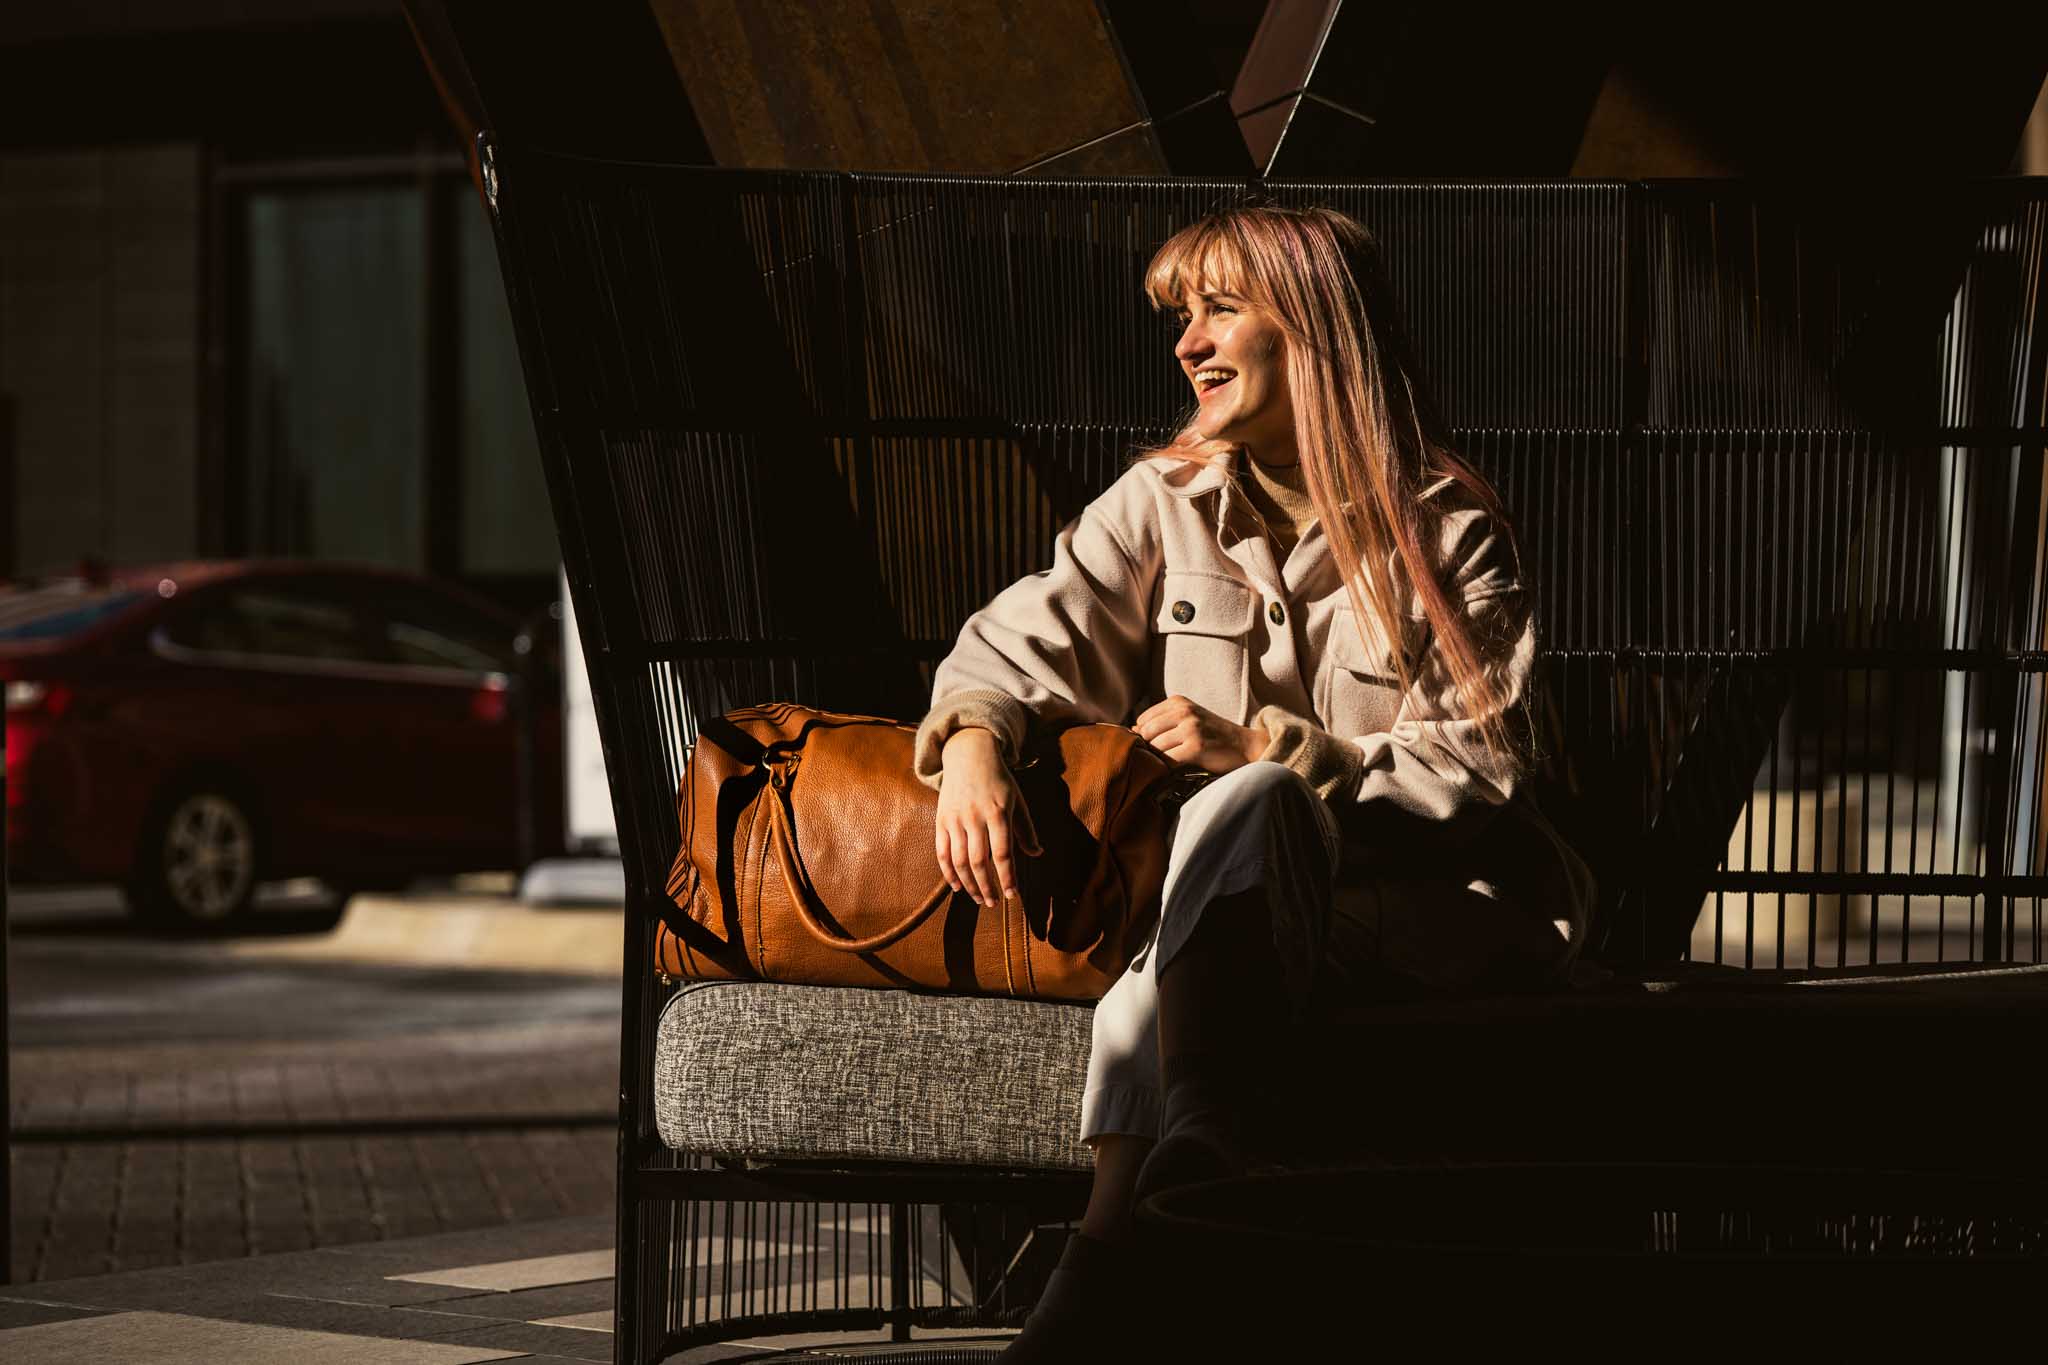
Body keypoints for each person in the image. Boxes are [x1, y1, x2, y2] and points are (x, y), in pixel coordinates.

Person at [909, 203, 1596, 1360]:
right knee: (1200, 918)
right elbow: (1017, 645)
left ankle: (1100, 1258)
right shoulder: (1162, 502)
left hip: (1422, 915)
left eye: (1220, 309)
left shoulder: (1449, 531)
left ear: (1317, 329)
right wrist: (972, 739)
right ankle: (1193, 1184)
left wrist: (1265, 753)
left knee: (1245, 816)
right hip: (1234, 920)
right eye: (1182, 317)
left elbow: (1479, 770)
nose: (1186, 344)